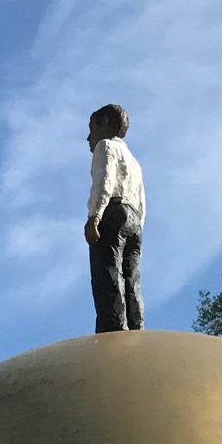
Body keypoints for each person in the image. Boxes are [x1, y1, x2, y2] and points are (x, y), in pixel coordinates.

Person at [84, 102, 145, 333]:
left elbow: (104, 182)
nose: (89, 137)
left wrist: (95, 216)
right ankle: (136, 327)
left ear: (106, 123)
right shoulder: (135, 163)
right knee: (131, 279)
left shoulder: (105, 147)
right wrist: (138, 227)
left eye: (92, 128)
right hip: (134, 221)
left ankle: (113, 331)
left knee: (107, 274)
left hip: (113, 212)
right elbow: (141, 200)